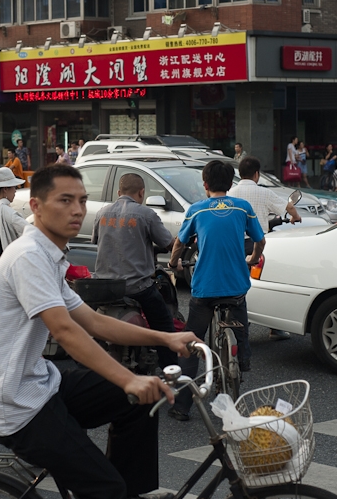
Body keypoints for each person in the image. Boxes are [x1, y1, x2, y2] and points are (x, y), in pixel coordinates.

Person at [0, 165, 196, 499]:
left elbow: (92, 322)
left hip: (39, 383)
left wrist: (165, 338)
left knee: (138, 404)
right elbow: (65, 331)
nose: (77, 210)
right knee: (105, 487)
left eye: (81, 200)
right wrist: (128, 378)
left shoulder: (48, 256)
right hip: (17, 405)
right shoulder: (28, 256)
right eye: (65, 200)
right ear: (35, 206)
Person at [168, 161, 265, 421]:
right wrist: (254, 258)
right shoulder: (242, 207)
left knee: (191, 342)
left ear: (205, 184)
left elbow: (180, 243)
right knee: (239, 319)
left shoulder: (197, 210)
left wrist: (173, 262)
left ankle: (182, 406)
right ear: (230, 184)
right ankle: (242, 359)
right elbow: (260, 239)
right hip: (235, 285)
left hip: (204, 288)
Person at [92, 173, 177, 368]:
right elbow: (167, 243)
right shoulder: (146, 214)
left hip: (105, 288)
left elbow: (97, 241)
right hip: (137, 288)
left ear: (118, 192)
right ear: (141, 192)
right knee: (164, 328)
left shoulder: (101, 213)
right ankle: (172, 374)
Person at [229, 156, 299, 341]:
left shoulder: (231, 192)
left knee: (238, 285)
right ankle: (275, 328)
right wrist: (296, 217)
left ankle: (238, 323)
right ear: (257, 175)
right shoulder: (264, 193)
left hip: (236, 245)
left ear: (240, 174)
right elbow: (289, 207)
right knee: (268, 285)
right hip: (258, 246)